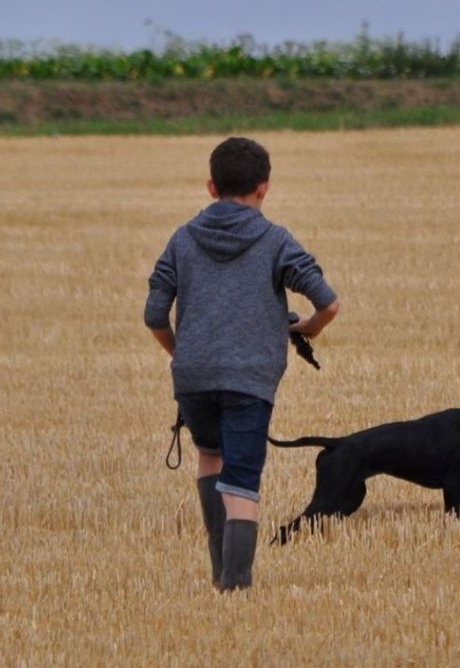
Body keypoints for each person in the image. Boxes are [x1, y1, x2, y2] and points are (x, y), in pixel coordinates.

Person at [144, 137, 339, 591]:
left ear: (211, 186)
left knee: (210, 454)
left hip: (193, 377)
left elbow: (154, 315)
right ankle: (236, 585)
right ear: (264, 188)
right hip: (250, 380)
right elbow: (328, 303)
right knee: (243, 478)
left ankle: (220, 573)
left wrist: (184, 353)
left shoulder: (182, 238)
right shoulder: (275, 240)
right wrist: (308, 328)